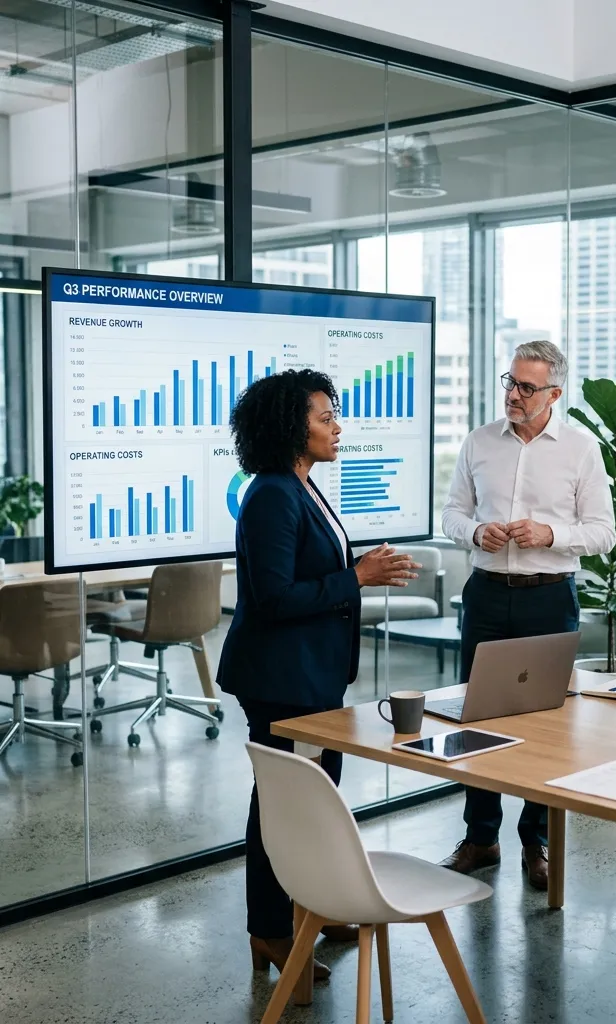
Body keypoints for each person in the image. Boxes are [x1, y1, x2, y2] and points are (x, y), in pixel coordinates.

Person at [217, 369, 420, 980]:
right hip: (282, 679)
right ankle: (271, 930)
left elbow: (310, 570)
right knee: (284, 809)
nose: (338, 427)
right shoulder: (274, 493)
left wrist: (357, 568)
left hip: (312, 674)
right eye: (325, 417)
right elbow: (276, 597)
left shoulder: (302, 485)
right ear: (290, 427)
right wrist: (355, 579)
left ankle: (311, 906)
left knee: (315, 801)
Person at [440, 340, 615, 890]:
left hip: (548, 596)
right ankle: (480, 837)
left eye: (527, 387)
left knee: (547, 723)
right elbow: (452, 512)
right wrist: (473, 531)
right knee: (479, 715)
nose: (513, 395)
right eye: (509, 383)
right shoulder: (479, 442)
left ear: (554, 393)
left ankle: (535, 840)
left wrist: (550, 535)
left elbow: (603, 534)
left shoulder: (581, 450)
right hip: (487, 593)